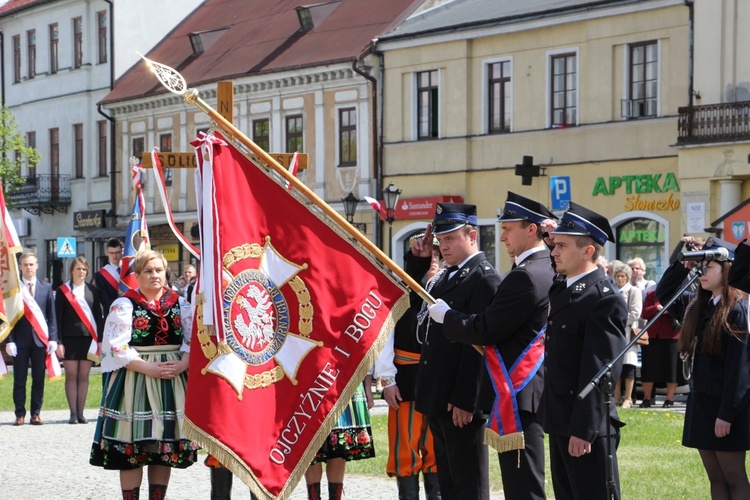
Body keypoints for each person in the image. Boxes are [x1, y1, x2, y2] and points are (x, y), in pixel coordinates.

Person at [428, 192, 555, 500]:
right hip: (516, 389)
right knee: (517, 483)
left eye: (508, 229)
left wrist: (449, 317)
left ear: (531, 229)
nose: (501, 238)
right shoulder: (539, 267)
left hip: (519, 388)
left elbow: (486, 329)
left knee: (521, 487)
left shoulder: (527, 275)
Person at [90, 250, 197, 500]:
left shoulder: (180, 303)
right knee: (132, 449)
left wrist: (183, 364)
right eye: (148, 271)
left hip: (172, 381)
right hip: (135, 379)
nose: (154, 275)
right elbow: (116, 345)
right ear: (137, 275)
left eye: (159, 270)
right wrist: (147, 367)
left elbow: (195, 341)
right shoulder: (124, 304)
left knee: (163, 448)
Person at [411, 202, 501, 500]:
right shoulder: (447, 275)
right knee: (449, 482)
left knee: (469, 484)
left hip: (459, 403)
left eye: (451, 238)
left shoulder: (483, 278)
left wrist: (467, 399)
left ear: (471, 235)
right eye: (441, 239)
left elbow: (479, 345)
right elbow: (415, 309)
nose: (443, 246)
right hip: (439, 396)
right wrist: (419, 263)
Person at [539, 202, 627, 500]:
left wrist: (583, 429)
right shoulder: (565, 289)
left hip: (585, 427)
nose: (554, 251)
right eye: (554, 245)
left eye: (562, 245)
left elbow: (600, 369)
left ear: (588, 251)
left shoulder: (604, 299)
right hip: (561, 418)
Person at [656, 237, 750, 499]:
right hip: (703, 403)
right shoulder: (700, 305)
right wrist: (682, 262)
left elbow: (739, 368)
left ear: (728, 269)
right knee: (715, 478)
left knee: (734, 477)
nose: (702, 272)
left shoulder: (738, 309)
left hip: (726, 406)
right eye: (700, 266)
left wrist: (727, 414)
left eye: (708, 266)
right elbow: (665, 293)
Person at [374, 232, 441, 500]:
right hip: (407, 375)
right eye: (430, 253)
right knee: (406, 448)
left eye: (438, 253)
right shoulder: (403, 288)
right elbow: (385, 332)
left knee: (436, 447)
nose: (435, 259)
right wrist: (387, 379)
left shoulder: (450, 283)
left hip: (438, 378)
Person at [5, 252, 58, 426]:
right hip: (19, 342)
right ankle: (19, 414)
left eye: (31, 264)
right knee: (19, 379)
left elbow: (51, 316)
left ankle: (36, 413)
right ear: (20, 267)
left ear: (37, 265)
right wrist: (9, 340)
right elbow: (8, 317)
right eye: (25, 264)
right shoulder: (14, 289)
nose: (29, 267)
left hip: (40, 341)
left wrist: (53, 339)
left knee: (38, 379)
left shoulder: (46, 288)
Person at [304, 376, 375, 500]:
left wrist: (367, 386)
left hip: (343, 376)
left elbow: (364, 357)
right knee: (311, 445)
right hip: (310, 377)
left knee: (339, 442)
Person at [55, 256, 105, 424]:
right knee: (71, 375)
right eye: (78, 269)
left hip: (88, 339)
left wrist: (100, 340)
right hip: (69, 338)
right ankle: (73, 414)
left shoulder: (93, 290)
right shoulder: (63, 291)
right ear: (71, 271)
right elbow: (58, 318)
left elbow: (98, 316)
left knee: (84, 376)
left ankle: (81, 413)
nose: (81, 272)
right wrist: (59, 342)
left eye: (84, 269)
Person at [639, 289, 680, 408]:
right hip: (653, 335)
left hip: (672, 336)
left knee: (672, 369)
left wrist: (669, 310)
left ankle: (669, 399)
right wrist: (657, 308)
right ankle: (647, 398)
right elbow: (644, 313)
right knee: (648, 369)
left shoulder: (678, 293)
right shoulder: (651, 295)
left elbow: (683, 312)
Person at [611, 261, 642, 409]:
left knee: (628, 367)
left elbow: (635, 313)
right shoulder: (612, 290)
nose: (620, 279)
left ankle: (628, 398)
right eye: (617, 276)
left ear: (628, 277)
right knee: (615, 366)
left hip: (627, 332)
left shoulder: (633, 291)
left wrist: (618, 321)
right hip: (613, 332)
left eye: (622, 276)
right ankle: (616, 396)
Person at [95, 238, 123, 315]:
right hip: (112, 314)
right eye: (111, 253)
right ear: (107, 252)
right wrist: (123, 305)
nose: (115, 256)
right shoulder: (101, 275)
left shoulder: (128, 270)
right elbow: (104, 301)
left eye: (117, 252)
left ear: (122, 251)